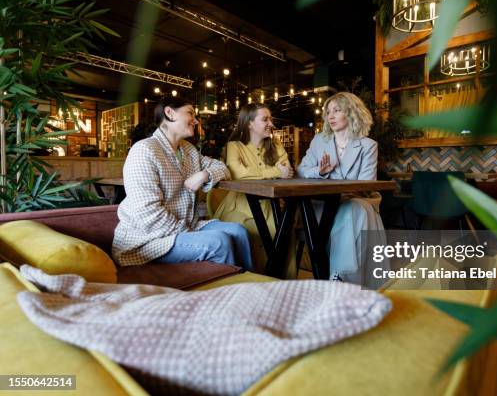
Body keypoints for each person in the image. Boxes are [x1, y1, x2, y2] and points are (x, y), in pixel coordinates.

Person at [112, 97, 253, 270]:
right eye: (190, 113)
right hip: (146, 239)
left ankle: (250, 286)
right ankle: (229, 293)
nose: (195, 120)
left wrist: (204, 174)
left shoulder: (188, 150)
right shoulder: (144, 150)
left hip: (184, 226)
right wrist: (191, 234)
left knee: (239, 232)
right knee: (219, 242)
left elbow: (223, 168)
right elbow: (149, 215)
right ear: (169, 113)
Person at [297, 92, 385, 282]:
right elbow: (302, 170)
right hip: (323, 205)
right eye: (328, 112)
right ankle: (345, 279)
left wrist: (343, 192)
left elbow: (366, 184)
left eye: (337, 110)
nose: (330, 116)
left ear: (352, 113)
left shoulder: (368, 145)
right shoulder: (319, 141)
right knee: (354, 211)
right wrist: (320, 172)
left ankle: (338, 276)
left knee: (354, 209)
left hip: (358, 201)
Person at [214, 103, 294, 273]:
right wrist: (274, 171)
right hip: (239, 207)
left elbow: (287, 170)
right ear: (249, 123)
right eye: (265, 119)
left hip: (271, 206)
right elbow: (237, 173)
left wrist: (277, 172)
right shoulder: (234, 146)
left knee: (285, 232)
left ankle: (280, 287)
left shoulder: (276, 144)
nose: (271, 124)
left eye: (271, 119)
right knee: (244, 231)